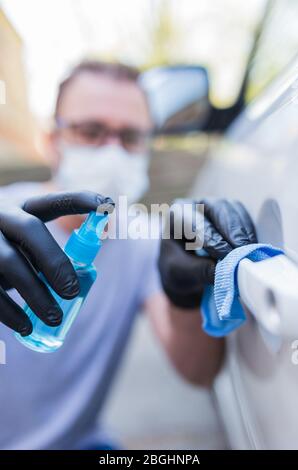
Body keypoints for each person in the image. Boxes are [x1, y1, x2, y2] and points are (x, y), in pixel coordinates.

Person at [0, 61, 256, 449]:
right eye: (91, 131)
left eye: (131, 137)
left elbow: (200, 371)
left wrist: (183, 295)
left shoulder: (145, 238)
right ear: (52, 141)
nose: (112, 151)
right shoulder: (5, 219)